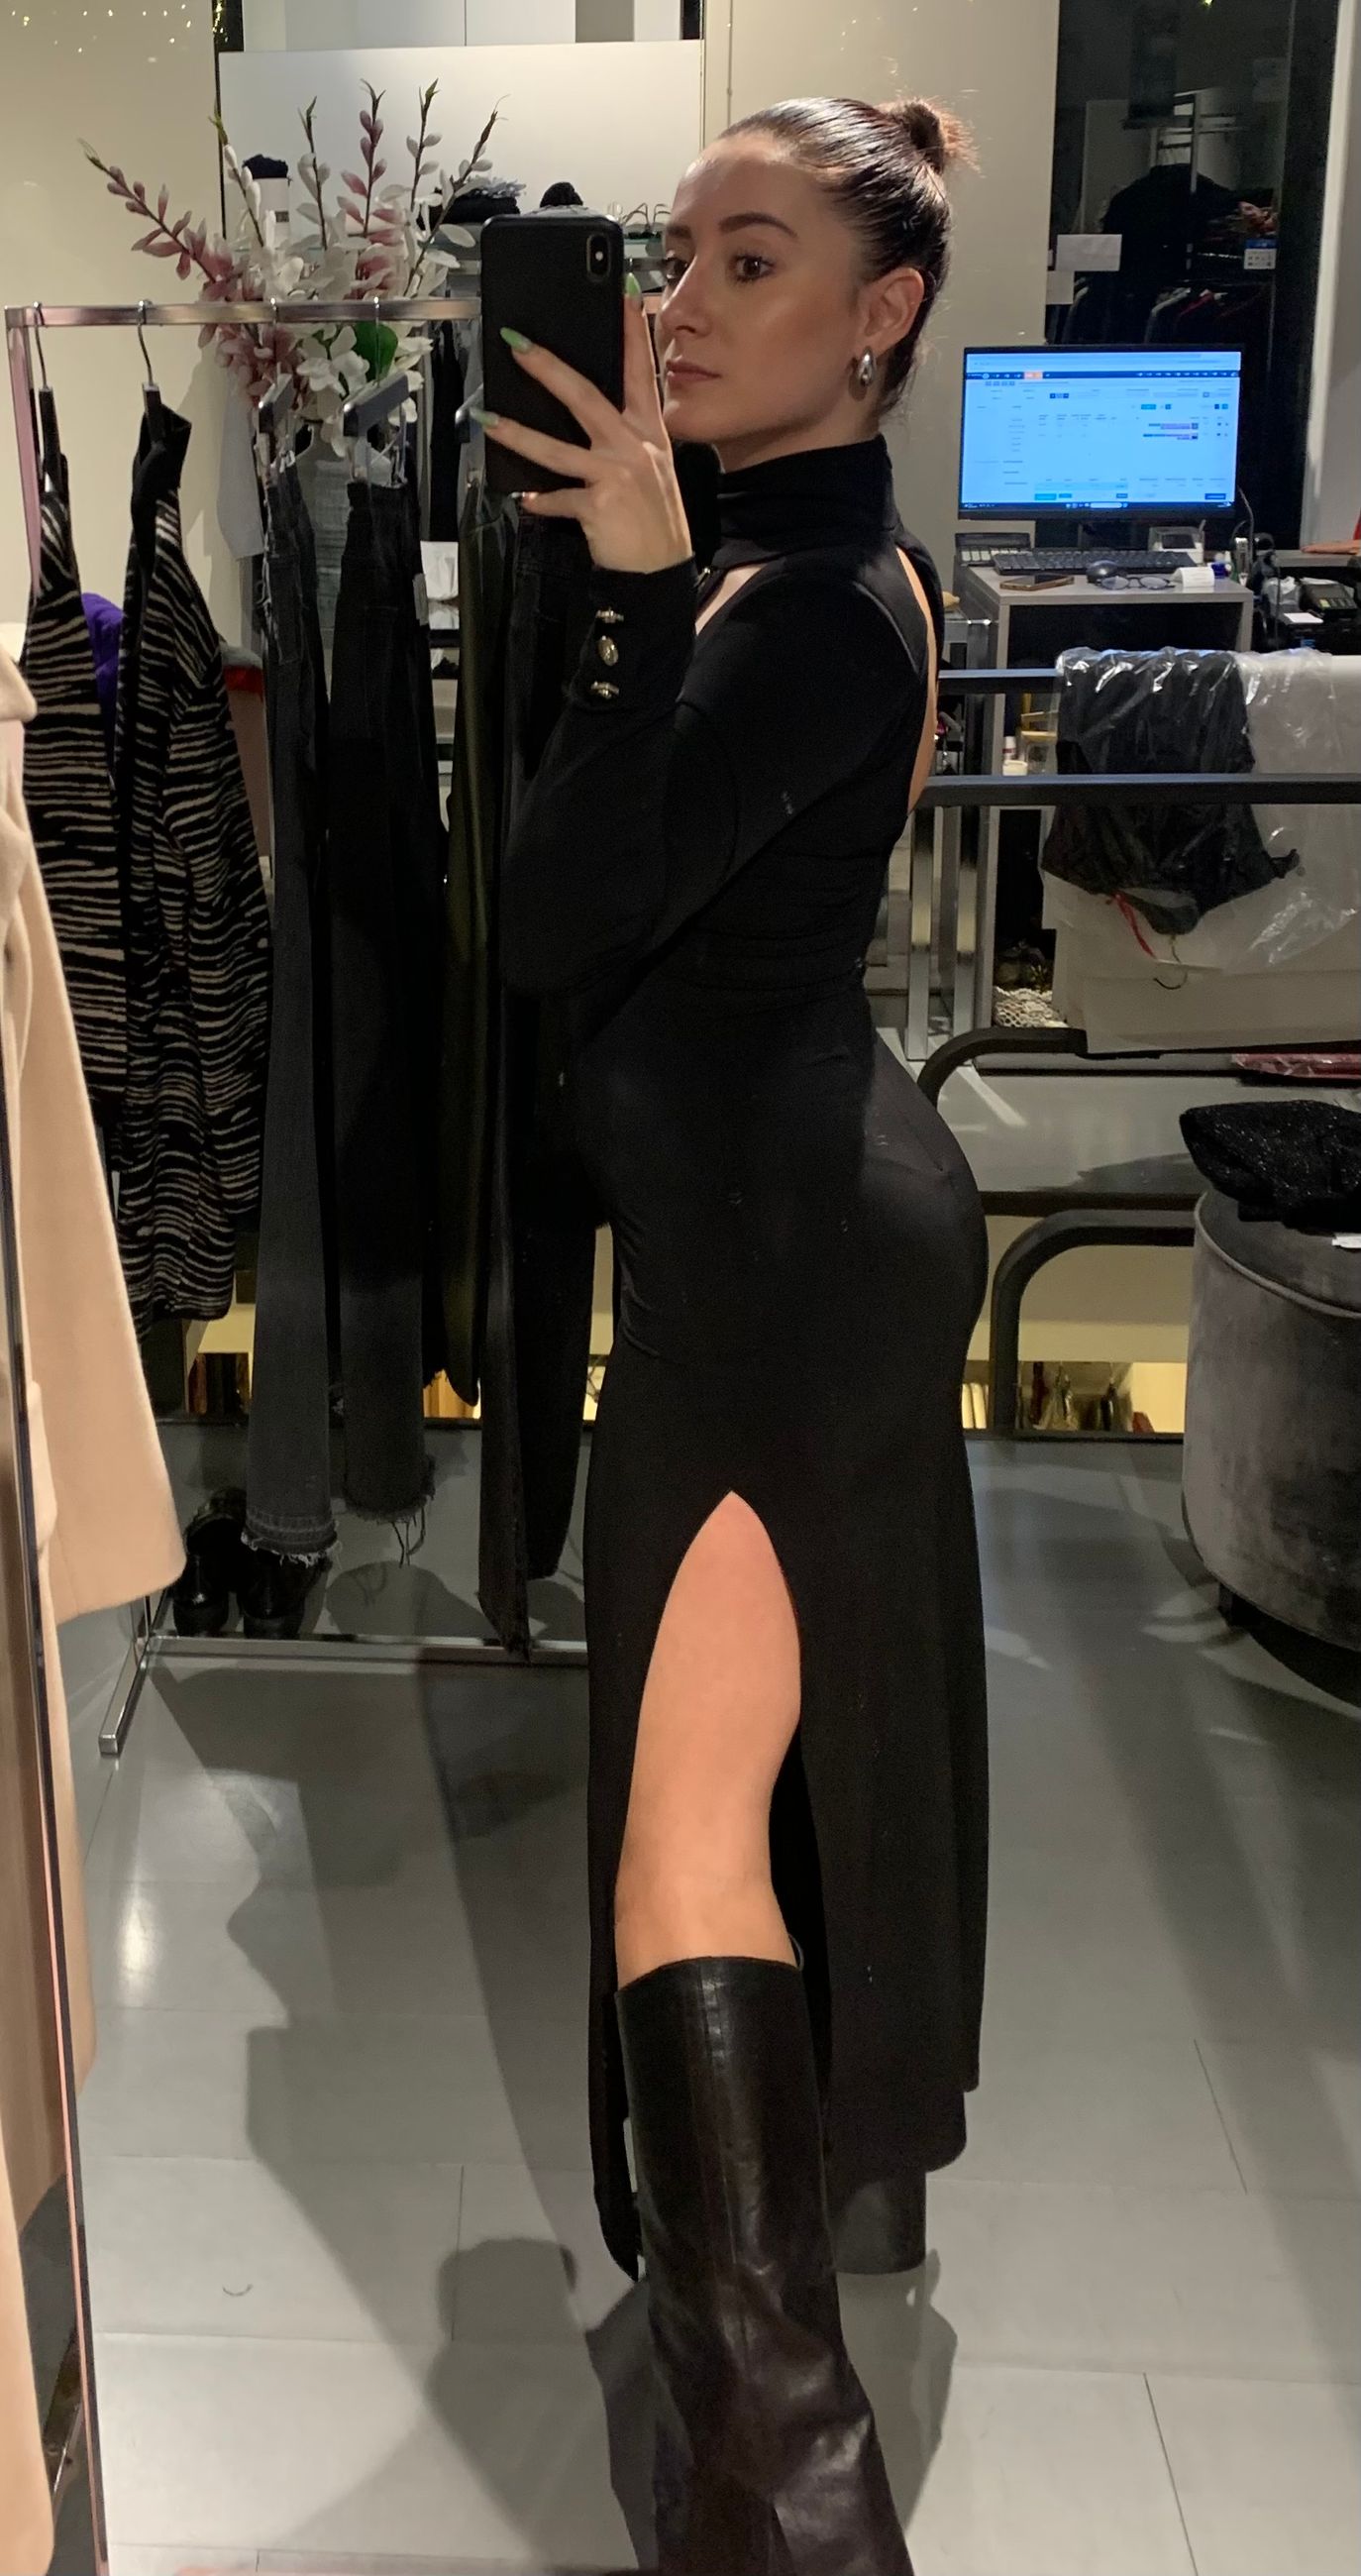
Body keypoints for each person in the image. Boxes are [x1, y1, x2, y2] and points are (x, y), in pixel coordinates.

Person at [476, 93, 987, 2576]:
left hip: (779, 1279)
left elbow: (554, 916)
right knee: (744, 1805)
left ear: (881, 317)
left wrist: (624, 603)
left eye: (748, 261)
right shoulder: (784, 566)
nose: (678, 305)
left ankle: (787, 2499)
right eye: (672, 254)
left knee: (684, 1839)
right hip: (778, 1234)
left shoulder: (796, 607)